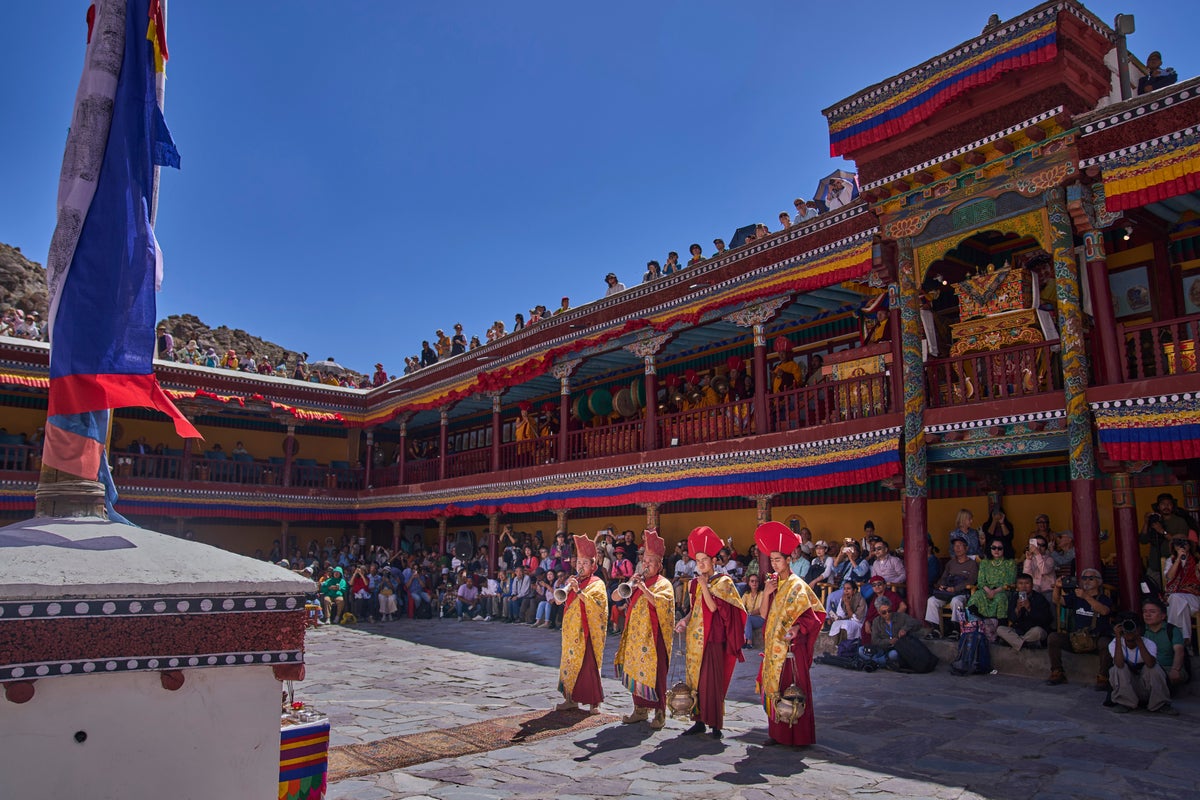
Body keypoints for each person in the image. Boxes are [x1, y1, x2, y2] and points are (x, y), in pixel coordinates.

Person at [754, 521, 826, 747]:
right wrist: (766, 593)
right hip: (774, 646)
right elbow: (765, 615)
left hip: (793, 648)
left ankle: (800, 737)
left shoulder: (797, 585)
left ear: (788, 560)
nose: (774, 564)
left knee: (795, 689)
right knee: (775, 688)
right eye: (772, 560)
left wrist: (797, 629)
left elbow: (813, 617)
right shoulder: (773, 584)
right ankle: (777, 734)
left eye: (778, 560)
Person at [674, 525, 746, 739]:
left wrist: (704, 585)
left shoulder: (723, 582)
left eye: (704, 560)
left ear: (714, 561)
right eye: (698, 561)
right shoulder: (695, 584)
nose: (701, 564)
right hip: (695, 639)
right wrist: (684, 621)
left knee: (711, 682)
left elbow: (713, 607)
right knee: (695, 681)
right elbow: (695, 607)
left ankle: (715, 724)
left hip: (713, 639)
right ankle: (697, 721)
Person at [612, 529, 674, 730]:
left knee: (656, 675)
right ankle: (639, 709)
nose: (646, 565)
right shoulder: (637, 581)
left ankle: (660, 712)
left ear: (660, 565)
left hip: (654, 636)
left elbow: (663, 606)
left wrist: (644, 589)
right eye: (644, 561)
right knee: (634, 671)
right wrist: (631, 583)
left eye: (651, 562)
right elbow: (615, 597)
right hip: (635, 636)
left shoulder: (664, 584)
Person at [554, 534, 608, 712]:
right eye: (579, 563)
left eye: (585, 563)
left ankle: (594, 703)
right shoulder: (573, 581)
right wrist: (567, 588)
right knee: (570, 663)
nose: (581, 567)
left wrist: (579, 592)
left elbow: (598, 606)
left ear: (594, 565)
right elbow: (560, 602)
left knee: (589, 666)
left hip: (587, 632)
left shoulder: (597, 583)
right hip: (571, 631)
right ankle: (570, 698)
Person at [1046, 568, 1113, 687]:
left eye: (1091, 578)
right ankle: (1057, 672)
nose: (1087, 581)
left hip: (1096, 639)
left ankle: (1103, 677)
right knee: (1053, 637)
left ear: (1099, 582)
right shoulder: (1076, 597)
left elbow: (1104, 611)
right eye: (1084, 578)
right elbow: (1057, 600)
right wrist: (1057, 587)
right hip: (1077, 639)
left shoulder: (1104, 598)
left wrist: (1086, 597)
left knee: (1106, 643)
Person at [1107, 614, 1177, 715]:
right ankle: (1125, 703)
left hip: (1145, 688)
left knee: (1155, 668)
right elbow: (1119, 664)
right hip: (1128, 687)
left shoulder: (1149, 643)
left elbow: (1150, 663)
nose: (1129, 630)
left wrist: (1138, 639)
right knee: (1117, 669)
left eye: (1132, 627)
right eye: (1126, 627)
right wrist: (1118, 637)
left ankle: (1160, 704)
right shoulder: (1115, 643)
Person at [924, 537, 978, 637]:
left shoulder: (972, 564)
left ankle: (956, 629)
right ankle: (936, 629)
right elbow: (943, 577)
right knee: (932, 600)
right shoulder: (951, 563)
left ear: (966, 548)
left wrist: (955, 589)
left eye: (960, 545)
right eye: (955, 546)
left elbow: (971, 580)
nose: (957, 548)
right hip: (947, 592)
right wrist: (941, 586)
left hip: (962, 593)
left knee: (956, 601)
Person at [995, 573, 1053, 651]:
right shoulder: (1015, 597)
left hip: (1034, 630)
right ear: (1017, 586)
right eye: (1021, 583)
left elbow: (1046, 619)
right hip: (1019, 631)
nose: (1024, 586)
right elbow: (1011, 618)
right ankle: (1025, 644)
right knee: (1000, 629)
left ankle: (1017, 643)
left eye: (1027, 583)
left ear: (1032, 585)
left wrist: (1029, 608)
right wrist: (1017, 609)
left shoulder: (1039, 598)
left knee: (1038, 632)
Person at [859, 595, 921, 667]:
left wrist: (905, 629)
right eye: (884, 612)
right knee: (861, 650)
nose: (887, 614)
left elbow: (916, 623)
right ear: (879, 612)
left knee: (894, 654)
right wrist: (889, 641)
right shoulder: (876, 621)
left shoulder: (900, 616)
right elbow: (875, 640)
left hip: (897, 648)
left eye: (889, 611)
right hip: (882, 649)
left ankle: (875, 662)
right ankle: (882, 662)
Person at [1141, 598, 1188, 690]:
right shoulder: (1141, 631)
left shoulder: (1172, 630)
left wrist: (1175, 669)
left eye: (1152, 612)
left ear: (1163, 616)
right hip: (1147, 669)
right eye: (1145, 611)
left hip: (1169, 668)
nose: (1147, 615)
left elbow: (1179, 651)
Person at [1162, 538, 1200, 646]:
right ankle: (1185, 641)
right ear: (1174, 547)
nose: (1182, 547)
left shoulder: (1197, 559)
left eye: (1184, 544)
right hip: (1181, 603)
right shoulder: (1171, 560)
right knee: (1181, 605)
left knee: (1175, 599)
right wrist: (1179, 559)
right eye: (1178, 544)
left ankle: (1172, 634)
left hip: (1195, 598)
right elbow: (1169, 577)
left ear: (1190, 546)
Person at [967, 539, 1016, 621]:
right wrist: (989, 591)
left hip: (1002, 590)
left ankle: (1000, 624)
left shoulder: (1010, 563)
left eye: (999, 548)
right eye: (994, 548)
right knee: (976, 597)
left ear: (1004, 549)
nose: (996, 550)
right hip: (986, 589)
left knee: (1000, 598)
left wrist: (995, 591)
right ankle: (978, 623)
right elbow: (981, 581)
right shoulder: (984, 562)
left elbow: (1009, 581)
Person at [828, 580, 866, 645]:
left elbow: (858, 619)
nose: (846, 591)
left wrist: (847, 605)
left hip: (857, 624)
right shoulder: (843, 599)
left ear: (854, 590)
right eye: (844, 589)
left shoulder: (861, 600)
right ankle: (838, 646)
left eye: (848, 589)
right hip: (847, 621)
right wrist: (834, 618)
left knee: (846, 625)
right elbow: (840, 614)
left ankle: (844, 646)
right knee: (836, 624)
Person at [742, 573, 766, 648]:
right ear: (748, 583)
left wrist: (749, 613)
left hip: (760, 618)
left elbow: (761, 609)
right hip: (749, 617)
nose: (754, 583)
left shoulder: (762, 594)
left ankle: (749, 641)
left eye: (756, 581)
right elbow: (741, 606)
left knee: (747, 618)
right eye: (752, 581)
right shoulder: (746, 594)